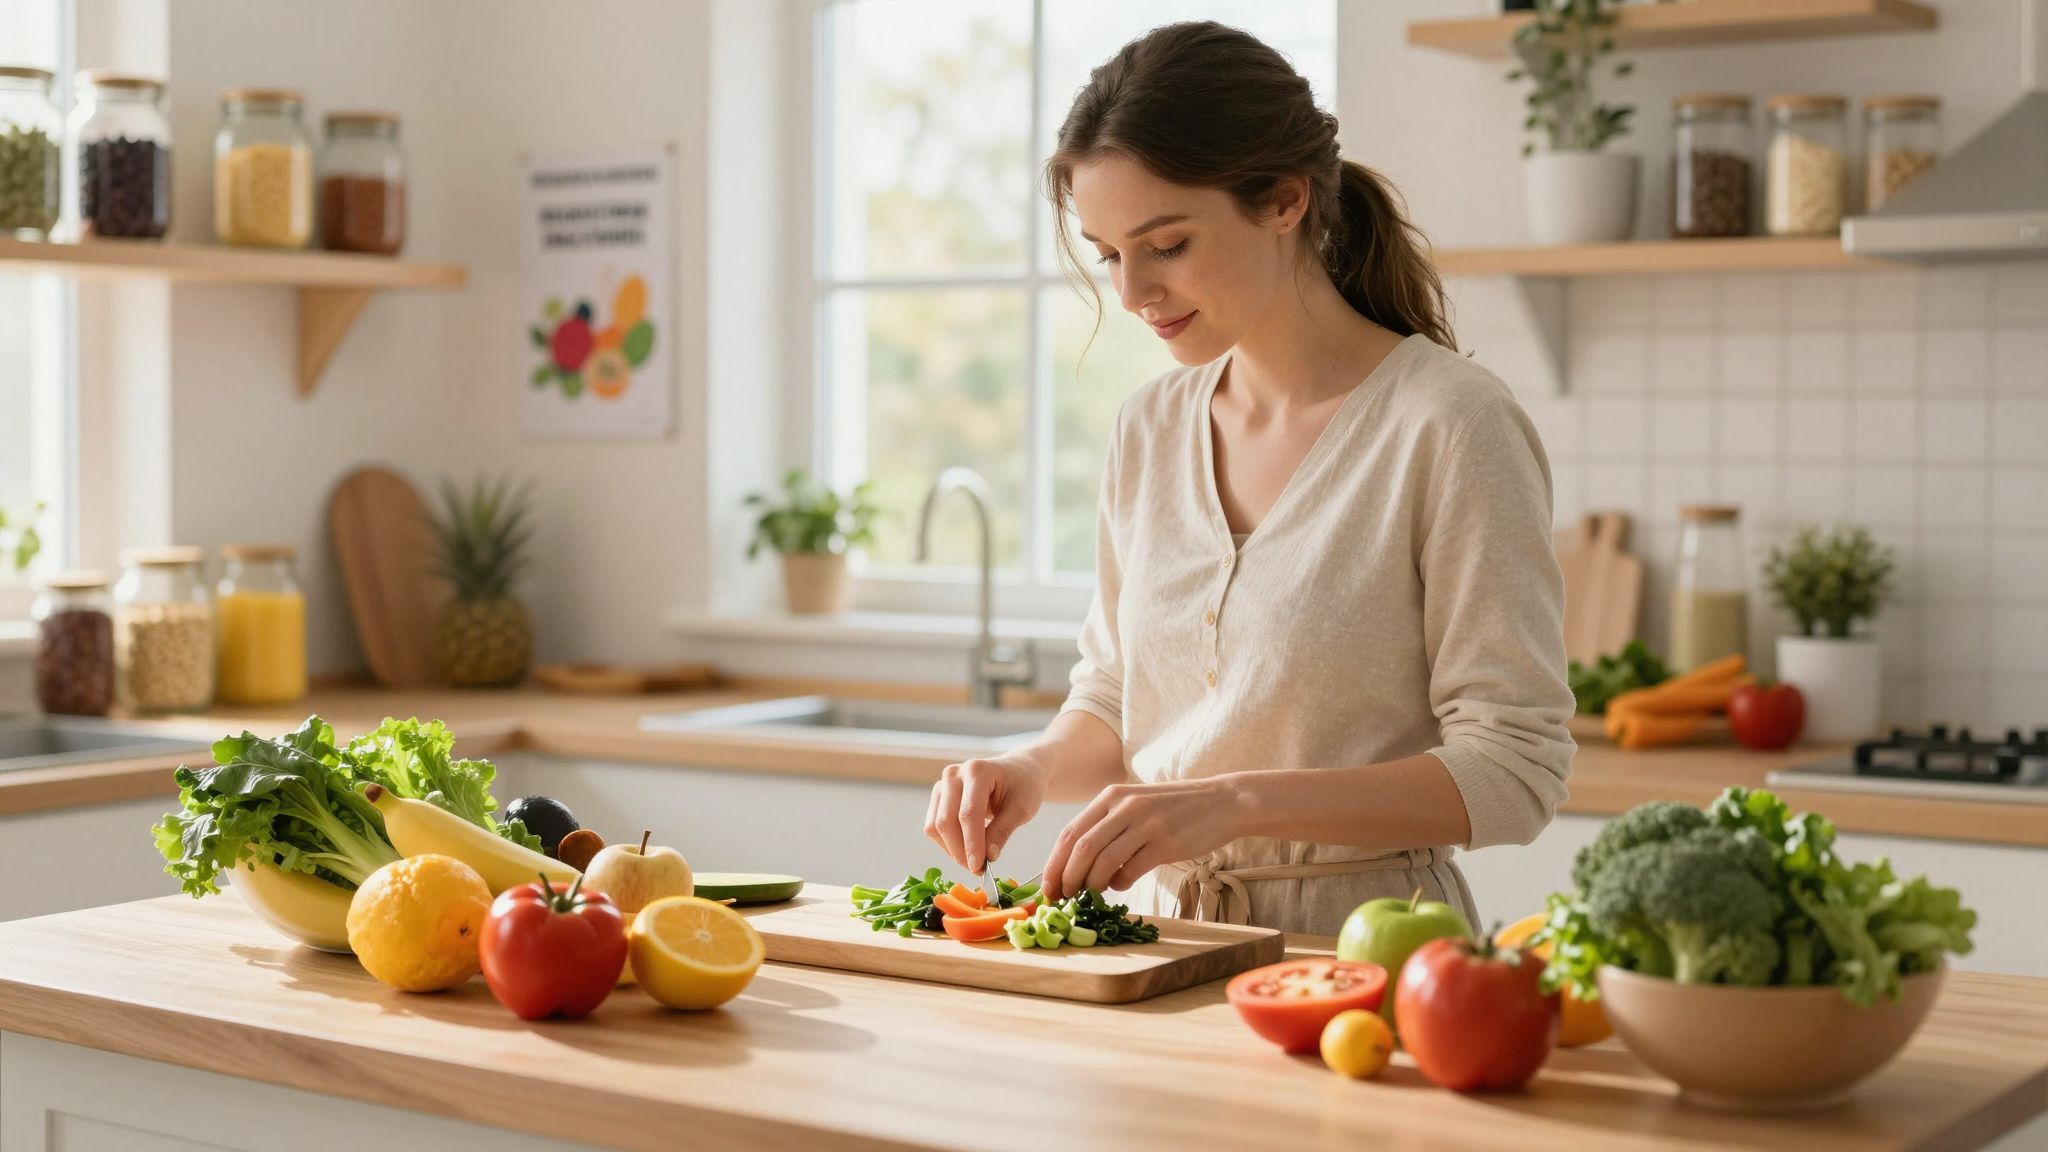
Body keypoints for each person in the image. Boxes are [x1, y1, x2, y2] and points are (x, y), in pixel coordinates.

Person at [921, 21, 1575, 934]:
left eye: (1168, 244)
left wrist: (1233, 804)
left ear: (1282, 201)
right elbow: (1115, 699)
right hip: (1151, 949)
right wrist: (1032, 767)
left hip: (1368, 954)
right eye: (1110, 254)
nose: (1132, 292)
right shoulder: (1147, 429)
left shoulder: (1450, 425)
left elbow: (1515, 773)